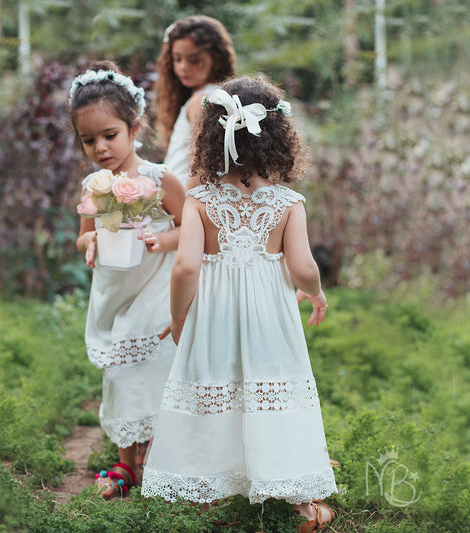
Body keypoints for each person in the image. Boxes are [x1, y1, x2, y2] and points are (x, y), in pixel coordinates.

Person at [141, 76, 338, 532]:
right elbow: (303, 265)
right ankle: (306, 506)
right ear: (278, 140)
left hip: (214, 315)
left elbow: (186, 267)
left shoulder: (200, 201)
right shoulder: (288, 202)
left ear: (211, 138)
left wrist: (178, 316)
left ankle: (206, 491)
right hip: (270, 316)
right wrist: (315, 291)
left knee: (215, 388)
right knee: (274, 393)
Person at [70, 61, 186, 497]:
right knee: (119, 372)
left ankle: (158, 451)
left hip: (156, 289)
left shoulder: (159, 180)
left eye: (109, 135)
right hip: (115, 292)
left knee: (155, 367)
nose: (100, 148)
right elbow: (83, 237)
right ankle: (126, 464)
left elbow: (190, 228)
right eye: (88, 140)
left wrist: (163, 238)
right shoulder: (94, 185)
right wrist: (92, 245)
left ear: (134, 127)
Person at [154, 15, 236, 188]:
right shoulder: (217, 96)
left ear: (216, 59)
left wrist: (189, 208)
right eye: (177, 59)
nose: (183, 67)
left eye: (194, 60)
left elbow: (203, 163)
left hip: (183, 198)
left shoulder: (202, 102)